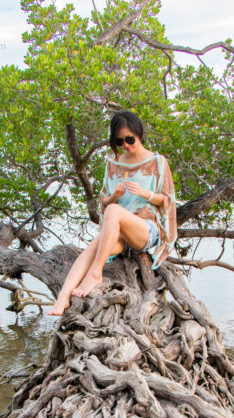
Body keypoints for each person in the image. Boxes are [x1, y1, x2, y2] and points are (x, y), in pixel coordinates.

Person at [48, 110, 177, 316]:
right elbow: (104, 203)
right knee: (95, 243)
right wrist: (114, 196)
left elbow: (167, 200)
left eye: (129, 139)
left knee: (114, 212)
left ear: (140, 134)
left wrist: (146, 194)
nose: (125, 145)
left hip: (145, 230)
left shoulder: (158, 162)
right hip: (117, 231)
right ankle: (64, 296)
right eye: (119, 141)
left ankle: (95, 273)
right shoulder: (113, 164)